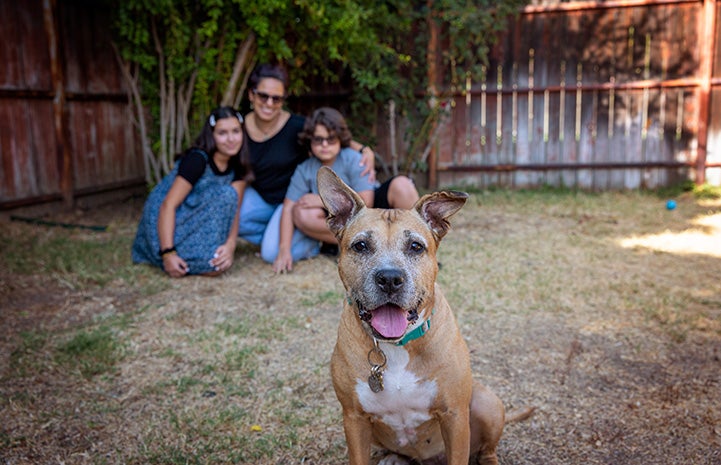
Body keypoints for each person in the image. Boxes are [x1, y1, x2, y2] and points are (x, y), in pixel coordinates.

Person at [238, 63, 375, 263]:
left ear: (283, 100)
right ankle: (299, 238)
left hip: (295, 201)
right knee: (238, 213)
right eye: (263, 96)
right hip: (269, 200)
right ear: (251, 94)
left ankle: (306, 240)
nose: (269, 103)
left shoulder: (297, 126)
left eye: (276, 98)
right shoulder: (238, 130)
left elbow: (331, 135)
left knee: (271, 251)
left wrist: (364, 150)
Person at [271, 107, 420, 273]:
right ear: (309, 141)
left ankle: (414, 248)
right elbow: (288, 207)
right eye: (318, 139)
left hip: (372, 210)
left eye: (331, 139)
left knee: (403, 185)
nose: (325, 145)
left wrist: (320, 200)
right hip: (342, 218)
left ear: (340, 138)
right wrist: (284, 250)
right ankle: (349, 247)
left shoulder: (353, 157)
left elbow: (366, 201)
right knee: (299, 212)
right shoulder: (304, 169)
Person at [132, 106, 252, 278]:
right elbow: (168, 205)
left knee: (227, 197)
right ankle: (176, 254)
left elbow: (235, 210)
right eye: (222, 133)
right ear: (212, 136)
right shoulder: (197, 160)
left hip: (198, 221)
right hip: (167, 223)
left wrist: (230, 246)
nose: (231, 139)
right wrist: (168, 253)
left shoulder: (239, 165)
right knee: (212, 267)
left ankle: (200, 253)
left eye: (236, 131)